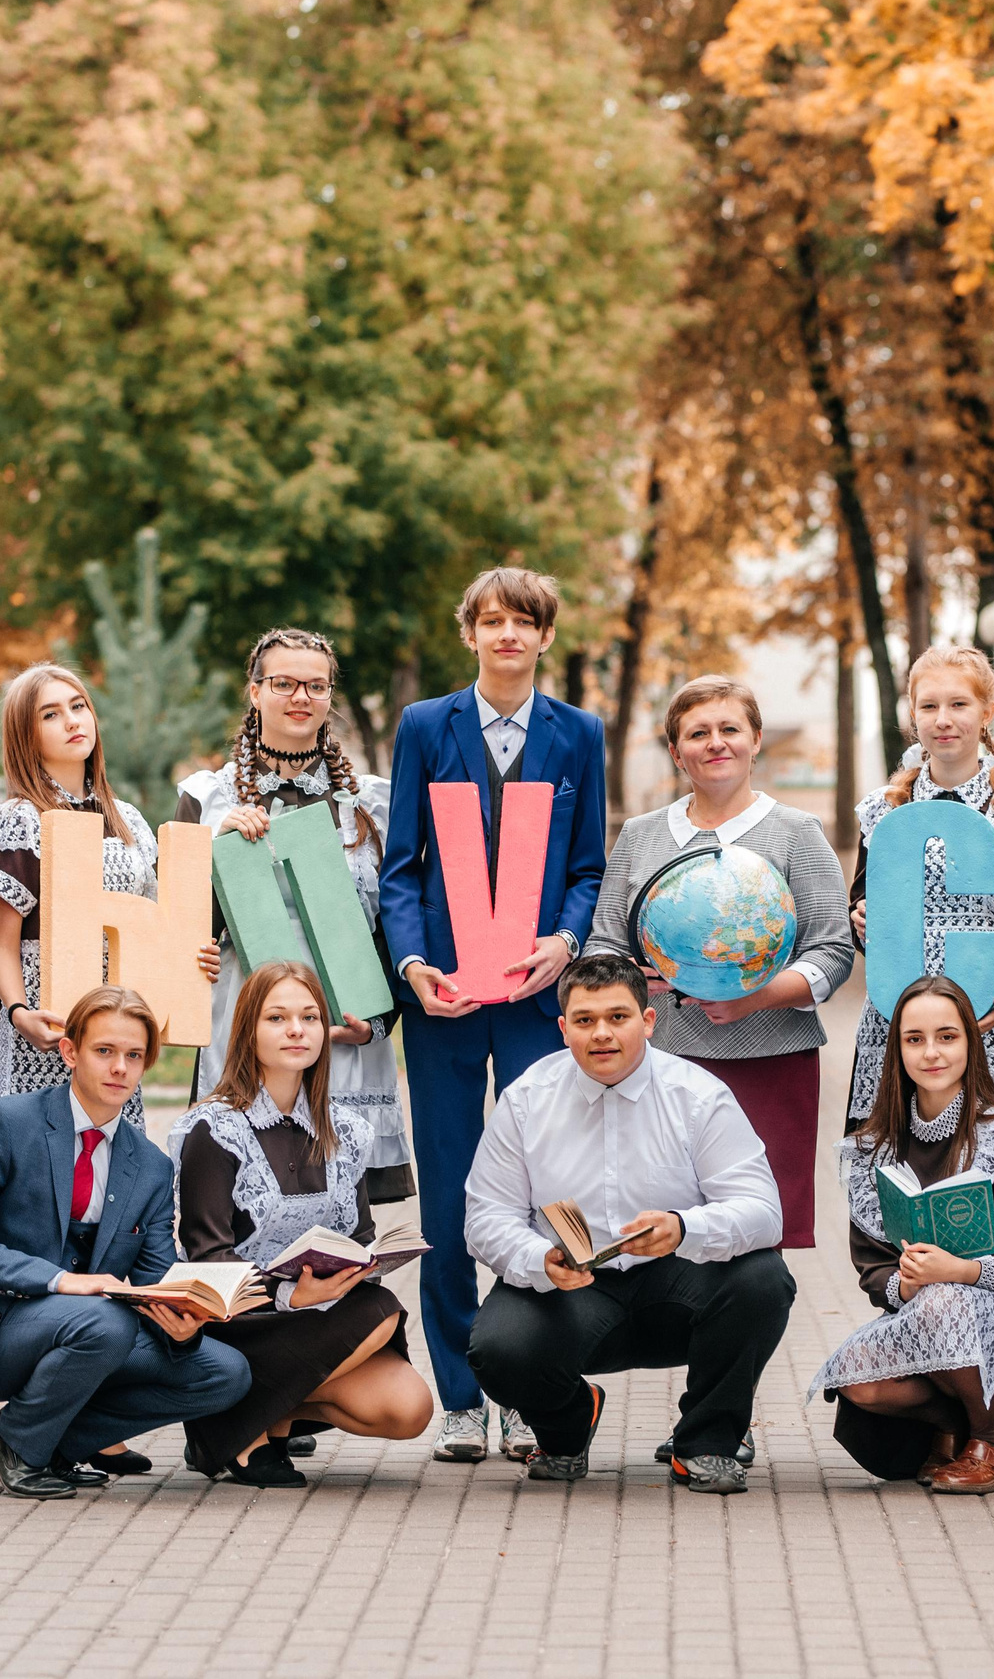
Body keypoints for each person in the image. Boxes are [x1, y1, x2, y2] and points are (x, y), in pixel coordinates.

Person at [381, 568, 608, 1464]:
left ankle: (528, 1385)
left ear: (545, 636)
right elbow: (403, 864)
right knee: (446, 1190)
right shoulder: (425, 726)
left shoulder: (577, 733)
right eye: (492, 620)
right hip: (444, 993)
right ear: (468, 631)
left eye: (525, 621)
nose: (508, 634)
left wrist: (566, 936)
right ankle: (461, 1397)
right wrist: (411, 962)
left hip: (529, 997)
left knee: (539, 1189)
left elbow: (588, 861)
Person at [462, 954, 794, 1494]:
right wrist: (537, 1260)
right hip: (573, 1292)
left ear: (648, 1021)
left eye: (618, 1017)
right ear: (563, 1027)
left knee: (763, 1279)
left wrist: (687, 1228)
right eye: (586, 1020)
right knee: (498, 1348)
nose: (602, 1035)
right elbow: (487, 1217)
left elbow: (762, 1209)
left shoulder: (699, 1094)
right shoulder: (525, 1100)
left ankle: (705, 1443)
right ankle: (566, 1426)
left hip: (678, 1283)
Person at [0, 986, 252, 1499]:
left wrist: (183, 1318)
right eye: (104, 1051)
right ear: (70, 1052)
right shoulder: (6, 1122)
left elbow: (155, 1275)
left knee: (225, 1373)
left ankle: (58, 1443)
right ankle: (15, 1442)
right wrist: (62, 1281)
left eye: (134, 1056)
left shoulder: (152, 1167)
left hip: (91, 1330)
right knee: (106, 1322)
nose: (120, 1068)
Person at [585, 675, 853, 1251]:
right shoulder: (639, 837)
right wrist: (633, 984)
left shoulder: (798, 834)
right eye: (697, 733)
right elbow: (603, 943)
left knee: (755, 1247)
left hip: (772, 1061)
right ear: (677, 750)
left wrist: (751, 998)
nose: (716, 743)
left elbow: (832, 951)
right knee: (657, 1236)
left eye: (730, 729)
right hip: (660, 1066)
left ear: (755, 739)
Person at [810, 975, 994, 1493]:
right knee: (856, 1381)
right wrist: (907, 1284)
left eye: (947, 1036)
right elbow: (871, 1265)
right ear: (896, 1049)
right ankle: (953, 1424)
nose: (931, 1053)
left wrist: (957, 1272)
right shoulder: (874, 1147)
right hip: (922, 1312)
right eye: (915, 1039)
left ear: (970, 1043)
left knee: (942, 1299)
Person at [169, 962, 434, 1487]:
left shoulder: (346, 1130)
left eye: (310, 1017)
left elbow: (357, 1235)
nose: (297, 1029)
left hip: (317, 1312)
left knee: (410, 1409)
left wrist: (360, 1266)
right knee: (381, 1313)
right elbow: (208, 1259)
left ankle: (263, 1417)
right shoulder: (215, 1128)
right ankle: (231, 1429)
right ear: (247, 1029)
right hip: (242, 1320)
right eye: (278, 1017)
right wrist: (291, 1297)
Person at [177, 628, 410, 1202]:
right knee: (237, 1195)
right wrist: (216, 852)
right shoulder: (205, 798)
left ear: (330, 697)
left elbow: (391, 921)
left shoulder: (374, 800)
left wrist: (379, 1021)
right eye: (283, 684)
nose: (300, 697)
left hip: (342, 1021)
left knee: (342, 1201)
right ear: (255, 692)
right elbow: (179, 929)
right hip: (243, 1007)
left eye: (315, 686)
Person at [0, 662, 220, 1116]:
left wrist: (190, 960)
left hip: (114, 1029)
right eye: (50, 715)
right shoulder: (19, 818)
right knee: (38, 1169)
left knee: (110, 1174)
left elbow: (156, 928)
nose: (72, 720)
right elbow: (4, 946)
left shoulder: (128, 820)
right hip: (46, 1024)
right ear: (25, 735)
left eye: (78, 706)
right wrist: (19, 1013)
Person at [848, 645, 994, 1126]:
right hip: (899, 1017)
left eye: (959, 704)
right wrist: (859, 919)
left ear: (986, 713)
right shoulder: (883, 809)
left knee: (990, 1158)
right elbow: (862, 901)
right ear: (913, 715)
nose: (944, 719)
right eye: (929, 706)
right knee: (895, 1157)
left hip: (986, 1012)